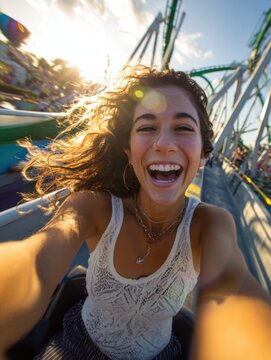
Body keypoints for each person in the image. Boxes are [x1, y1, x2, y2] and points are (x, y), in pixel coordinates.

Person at [0, 65, 270, 360]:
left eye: (183, 128)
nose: (164, 144)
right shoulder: (94, 206)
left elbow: (232, 285)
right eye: (146, 127)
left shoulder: (210, 223)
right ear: (129, 150)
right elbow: (37, 258)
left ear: (203, 153)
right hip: (76, 344)